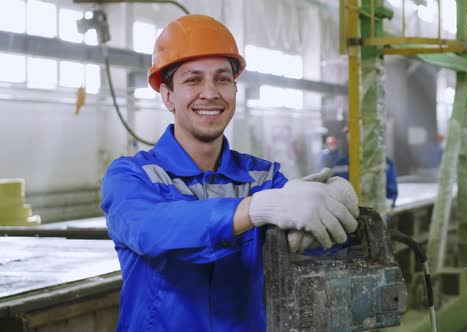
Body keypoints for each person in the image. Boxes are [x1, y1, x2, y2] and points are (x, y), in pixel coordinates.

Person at [100, 15, 359, 332]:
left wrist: (338, 207)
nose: (210, 93)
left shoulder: (262, 178)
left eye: (222, 79)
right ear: (167, 95)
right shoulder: (131, 176)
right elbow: (151, 231)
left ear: (235, 89)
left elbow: (320, 245)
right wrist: (254, 209)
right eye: (193, 80)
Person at [331, 128, 398, 207]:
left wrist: (378, 213)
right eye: (349, 134)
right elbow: (334, 191)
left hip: (375, 213)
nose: (350, 137)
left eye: (355, 133)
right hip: (349, 214)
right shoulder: (341, 163)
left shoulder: (382, 162)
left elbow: (390, 194)